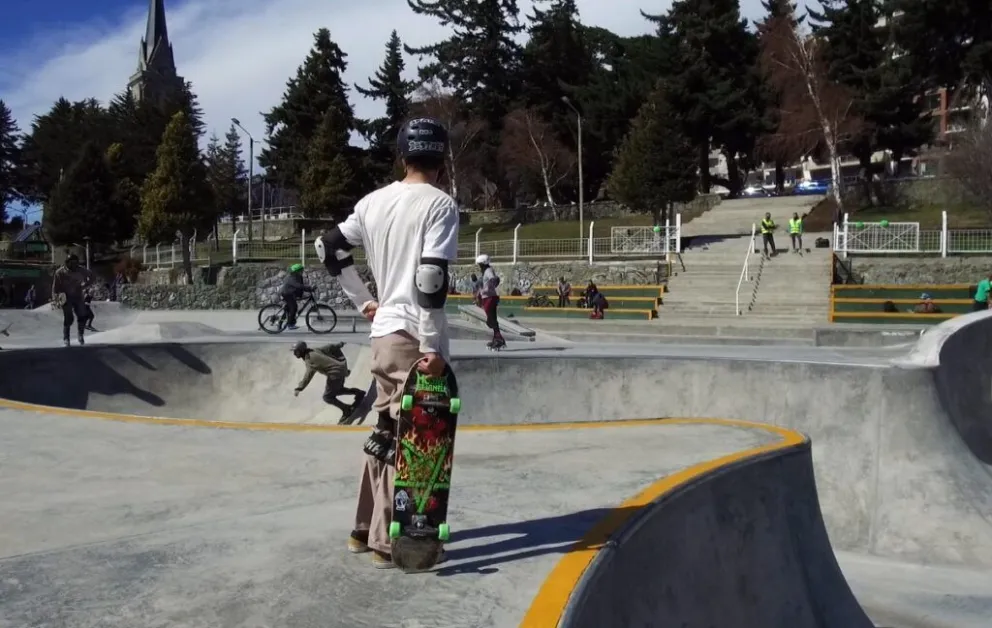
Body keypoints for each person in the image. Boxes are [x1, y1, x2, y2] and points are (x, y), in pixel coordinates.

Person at [313, 116, 459, 569]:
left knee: (383, 431)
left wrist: (364, 302)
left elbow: (328, 247)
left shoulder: (373, 202)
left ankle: (362, 528)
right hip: (414, 335)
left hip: (382, 334)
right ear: (442, 159)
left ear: (402, 155)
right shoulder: (440, 205)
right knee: (410, 438)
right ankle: (384, 540)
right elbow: (430, 278)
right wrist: (432, 345)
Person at [292, 341, 365, 418]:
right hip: (341, 368)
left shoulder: (309, 360)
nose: (294, 354)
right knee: (337, 390)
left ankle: (347, 409)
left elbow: (308, 376)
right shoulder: (314, 350)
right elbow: (329, 347)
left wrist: (299, 388)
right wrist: (339, 345)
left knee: (327, 397)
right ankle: (359, 393)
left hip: (335, 373)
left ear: (301, 350)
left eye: (296, 352)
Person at [51, 253, 95, 346]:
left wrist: (85, 285)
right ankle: (66, 338)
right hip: (66, 297)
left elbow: (92, 276)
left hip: (78, 296)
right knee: (69, 318)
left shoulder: (81, 270)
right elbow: (55, 287)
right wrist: (56, 299)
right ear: (67, 263)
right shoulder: (60, 272)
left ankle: (80, 335)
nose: (74, 265)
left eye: (75, 262)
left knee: (82, 316)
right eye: (71, 263)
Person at [475, 254, 505, 350]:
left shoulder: (488, 270)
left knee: (491, 321)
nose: (479, 266)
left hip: (490, 298)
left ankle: (499, 339)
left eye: (480, 264)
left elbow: (494, 279)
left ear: (484, 263)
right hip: (487, 298)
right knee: (491, 320)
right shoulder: (485, 271)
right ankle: (496, 338)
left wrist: (488, 288)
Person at [280, 263, 313, 330]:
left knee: (288, 309)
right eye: (301, 270)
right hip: (287, 293)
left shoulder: (298, 276)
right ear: (296, 271)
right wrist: (309, 288)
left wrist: (306, 291)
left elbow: (300, 286)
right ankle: (290, 324)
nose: (302, 272)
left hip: (291, 293)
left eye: (302, 270)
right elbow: (298, 285)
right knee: (293, 307)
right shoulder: (291, 277)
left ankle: (280, 324)